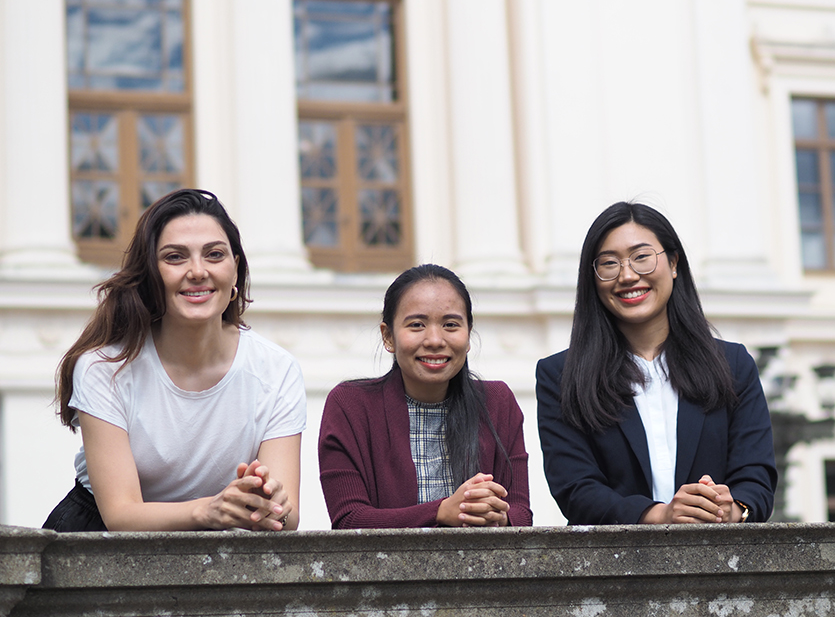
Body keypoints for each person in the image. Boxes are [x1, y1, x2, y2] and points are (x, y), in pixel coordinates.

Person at [43, 189, 305, 532]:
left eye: (214, 254)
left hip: (222, 535)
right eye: (175, 257)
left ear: (235, 269)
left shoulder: (277, 369)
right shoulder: (102, 367)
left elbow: (289, 516)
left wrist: (270, 505)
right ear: (150, 273)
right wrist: (206, 511)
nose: (198, 271)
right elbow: (120, 514)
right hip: (97, 536)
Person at [536, 202, 777, 525]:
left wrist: (727, 508)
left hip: (719, 561)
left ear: (674, 263)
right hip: (614, 568)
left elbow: (756, 475)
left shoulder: (733, 364)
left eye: (642, 257)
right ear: (592, 278)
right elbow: (576, 488)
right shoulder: (561, 376)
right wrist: (661, 515)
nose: (628, 275)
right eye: (609, 263)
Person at [318, 264, 532, 529]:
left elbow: (522, 512)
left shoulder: (497, 402)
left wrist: (498, 515)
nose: (434, 340)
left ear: (468, 337)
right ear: (388, 336)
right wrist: (441, 511)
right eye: (417, 324)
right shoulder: (350, 405)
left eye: (451, 325)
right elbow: (349, 519)